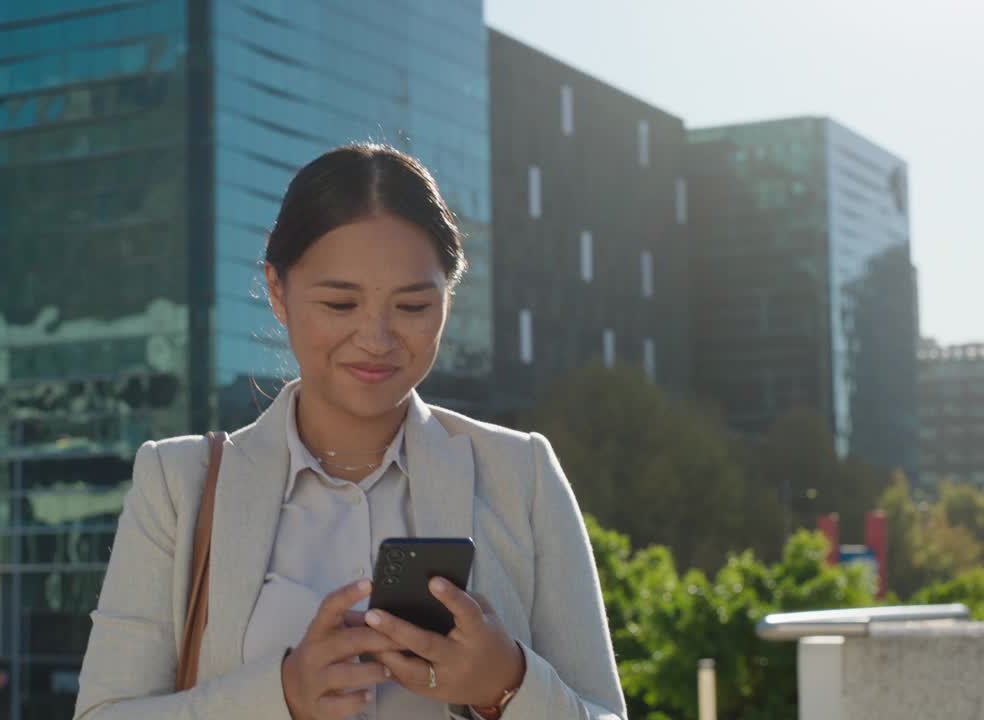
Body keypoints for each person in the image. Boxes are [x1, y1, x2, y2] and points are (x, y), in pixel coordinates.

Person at [73, 144, 626, 720]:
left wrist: (507, 683)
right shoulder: (177, 484)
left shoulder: (522, 474)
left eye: (413, 307)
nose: (377, 339)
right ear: (278, 292)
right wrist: (281, 696)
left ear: (448, 299)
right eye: (340, 303)